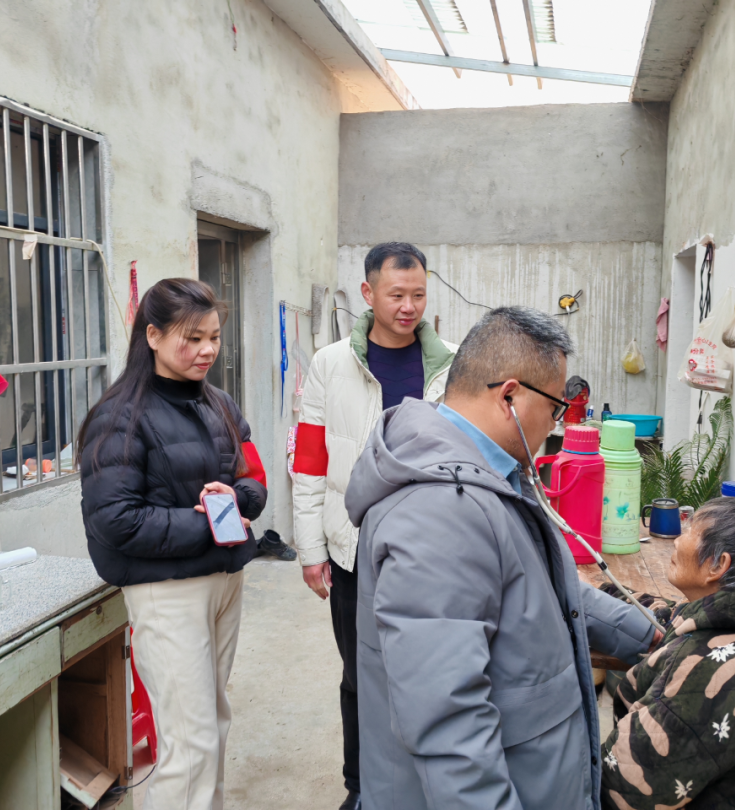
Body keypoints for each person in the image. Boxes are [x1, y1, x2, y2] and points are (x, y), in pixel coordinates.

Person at [344, 306, 659, 810]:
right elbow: (449, 726)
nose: (555, 424)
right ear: (509, 396)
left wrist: (646, 632)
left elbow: (536, 589)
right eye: (555, 407)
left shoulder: (488, 476)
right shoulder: (440, 511)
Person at [78, 278, 267, 810]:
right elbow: (116, 521)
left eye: (214, 337)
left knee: (214, 726)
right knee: (190, 742)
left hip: (224, 582)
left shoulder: (219, 404)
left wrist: (235, 497)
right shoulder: (120, 417)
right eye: (192, 338)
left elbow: (254, 479)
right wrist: (208, 523)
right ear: (153, 336)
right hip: (168, 592)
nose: (207, 350)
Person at [293, 242, 457, 810]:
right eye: (396, 295)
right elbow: (309, 461)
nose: (408, 307)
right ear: (368, 293)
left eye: (418, 295)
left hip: (431, 548)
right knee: (360, 674)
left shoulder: (452, 363)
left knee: (432, 671)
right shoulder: (331, 364)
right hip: (353, 546)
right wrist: (310, 549)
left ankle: (420, 784)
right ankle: (361, 787)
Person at [601, 497, 735, 810]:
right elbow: (674, 616)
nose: (677, 539)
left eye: (690, 531)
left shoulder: (704, 675)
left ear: (717, 565)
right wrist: (604, 594)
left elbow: (623, 793)